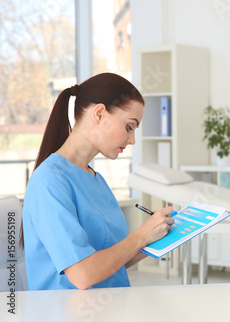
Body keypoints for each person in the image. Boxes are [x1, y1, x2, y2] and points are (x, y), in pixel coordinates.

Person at [21, 73, 175, 290]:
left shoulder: (95, 179)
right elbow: (83, 274)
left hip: (111, 306)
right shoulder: (49, 182)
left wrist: (159, 235)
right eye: (129, 127)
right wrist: (140, 236)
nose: (132, 140)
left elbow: (113, 257)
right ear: (100, 113)